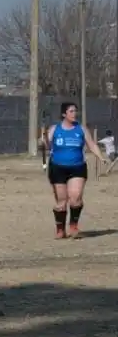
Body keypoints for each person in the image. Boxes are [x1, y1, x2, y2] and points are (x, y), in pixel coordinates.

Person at [46, 102, 107, 239]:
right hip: (57, 167)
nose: (75, 114)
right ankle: (60, 229)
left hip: (77, 167)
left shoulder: (81, 129)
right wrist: (41, 142)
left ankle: (73, 225)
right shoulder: (54, 129)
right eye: (71, 111)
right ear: (64, 114)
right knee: (61, 201)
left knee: (75, 198)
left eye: (75, 111)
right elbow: (46, 145)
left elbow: (91, 144)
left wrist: (101, 157)